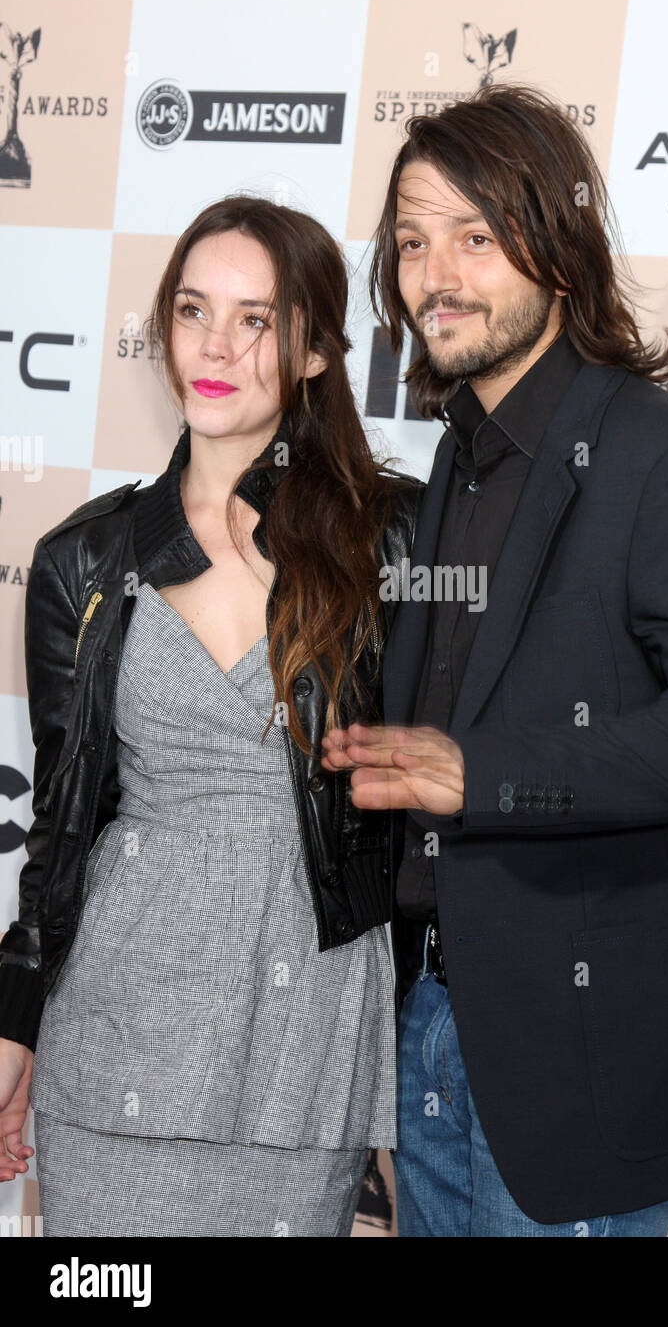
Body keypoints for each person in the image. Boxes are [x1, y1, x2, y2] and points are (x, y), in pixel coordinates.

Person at [320, 84, 668, 1237]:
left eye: (474, 238)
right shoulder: (458, 459)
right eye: (411, 242)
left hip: (578, 1050)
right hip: (429, 1013)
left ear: (558, 247)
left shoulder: (655, 456)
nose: (434, 274)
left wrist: (484, 774)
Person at [0, 193, 423, 1236]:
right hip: (122, 1017)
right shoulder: (84, 560)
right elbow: (64, 826)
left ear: (318, 348)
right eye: (193, 311)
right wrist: (14, 1025)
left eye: (256, 318)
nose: (216, 347)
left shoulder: (395, 541)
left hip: (308, 1021)